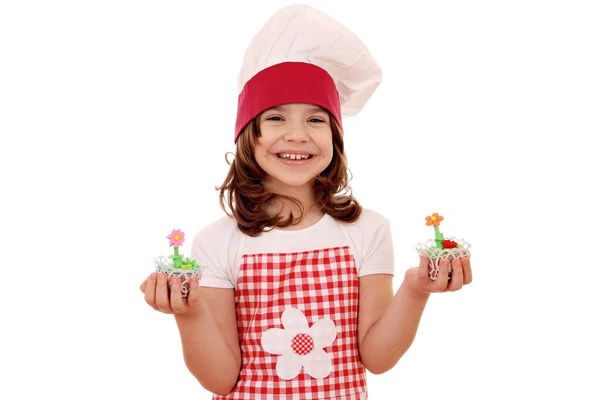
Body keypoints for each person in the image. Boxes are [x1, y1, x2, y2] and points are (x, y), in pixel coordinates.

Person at [140, 4, 473, 399]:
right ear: (249, 135)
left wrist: (416, 290)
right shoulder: (216, 242)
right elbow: (220, 378)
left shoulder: (368, 230)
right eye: (276, 118)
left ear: (335, 137)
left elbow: (377, 357)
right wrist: (190, 313)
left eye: (315, 119)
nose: (297, 134)